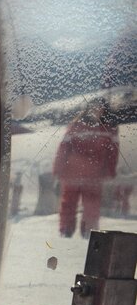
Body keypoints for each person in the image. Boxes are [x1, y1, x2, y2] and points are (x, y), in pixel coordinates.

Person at [53, 99, 118, 238]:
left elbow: (113, 153)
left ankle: (89, 232)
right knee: (68, 203)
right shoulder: (76, 126)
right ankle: (65, 231)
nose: (96, 110)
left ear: (104, 111)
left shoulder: (109, 128)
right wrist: (58, 169)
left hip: (94, 174)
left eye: (100, 108)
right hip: (72, 173)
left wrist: (110, 171)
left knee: (92, 205)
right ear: (87, 109)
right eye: (93, 107)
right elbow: (63, 148)